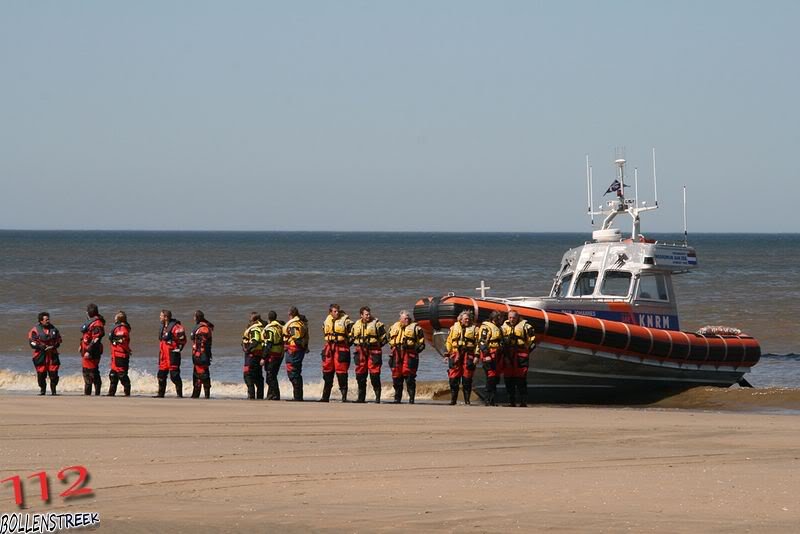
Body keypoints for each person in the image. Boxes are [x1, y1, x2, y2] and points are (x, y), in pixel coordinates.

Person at [350, 306, 388, 403]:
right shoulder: (356, 325)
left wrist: (378, 345)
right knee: (360, 375)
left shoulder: (377, 324)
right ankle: (361, 398)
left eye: (369, 314)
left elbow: (385, 338)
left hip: (373, 351)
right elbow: (351, 337)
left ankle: (378, 398)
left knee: (374, 375)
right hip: (360, 351)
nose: (368, 316)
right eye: (366, 314)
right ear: (361, 315)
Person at [388, 310, 425, 404]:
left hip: (409, 353)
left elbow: (422, 343)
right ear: (400, 319)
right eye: (405, 318)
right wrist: (392, 347)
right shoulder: (393, 327)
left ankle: (411, 399)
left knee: (409, 377)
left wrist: (416, 350)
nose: (407, 320)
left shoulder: (416, 328)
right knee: (396, 377)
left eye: (408, 318)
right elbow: (388, 338)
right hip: (396, 353)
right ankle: (397, 398)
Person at [501, 309, 536, 407]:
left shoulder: (526, 326)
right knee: (508, 379)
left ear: (518, 317)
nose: (512, 319)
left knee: (521, 379)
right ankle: (511, 401)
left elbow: (533, 342)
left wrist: (527, 352)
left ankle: (523, 401)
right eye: (510, 317)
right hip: (508, 354)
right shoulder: (503, 327)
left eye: (514, 317)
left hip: (521, 354)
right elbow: (501, 342)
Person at [444, 311, 479, 405]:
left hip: (469, 354)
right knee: (453, 377)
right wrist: (447, 355)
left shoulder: (475, 329)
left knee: (467, 377)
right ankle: (453, 400)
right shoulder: (453, 328)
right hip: (455, 354)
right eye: (465, 319)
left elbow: (478, 344)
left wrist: (477, 356)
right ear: (460, 319)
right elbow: (448, 342)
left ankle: (467, 400)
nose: (467, 320)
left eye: (468, 318)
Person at [320, 304, 354, 402]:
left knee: (342, 373)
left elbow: (353, 333)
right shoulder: (326, 320)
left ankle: (344, 397)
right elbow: (324, 331)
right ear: (330, 312)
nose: (337, 313)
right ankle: (325, 397)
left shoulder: (346, 321)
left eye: (338, 311)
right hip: (329, 348)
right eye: (334, 311)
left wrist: (348, 344)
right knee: (327, 372)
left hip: (341, 348)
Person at [27, 312, 62, 395]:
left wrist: (54, 346)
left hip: (52, 355)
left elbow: (59, 341)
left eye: (48, 319)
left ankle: (54, 391)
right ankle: (43, 391)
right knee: (41, 375)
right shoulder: (34, 330)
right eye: (46, 320)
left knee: (54, 375)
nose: (48, 321)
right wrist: (41, 347)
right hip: (40, 355)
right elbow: (32, 343)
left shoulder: (54, 329)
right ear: (41, 321)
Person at [476, 310, 504, 406]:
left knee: (495, 377)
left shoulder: (499, 328)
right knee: (490, 376)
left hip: (497, 354)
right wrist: (486, 355)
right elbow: (482, 342)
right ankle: (488, 399)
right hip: (489, 354)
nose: (502, 319)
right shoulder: (486, 327)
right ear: (495, 318)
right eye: (500, 318)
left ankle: (492, 399)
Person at [157, 309, 187, 398]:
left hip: (172, 354)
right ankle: (160, 394)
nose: (159, 317)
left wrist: (178, 349)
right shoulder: (163, 327)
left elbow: (183, 340)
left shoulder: (176, 327)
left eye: (161, 316)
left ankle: (179, 395)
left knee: (174, 376)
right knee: (161, 375)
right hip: (163, 355)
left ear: (165, 317)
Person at [80, 303, 106, 396]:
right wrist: (81, 345)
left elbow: (96, 339)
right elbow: (86, 335)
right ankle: (88, 394)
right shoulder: (92, 322)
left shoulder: (97, 324)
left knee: (92, 372)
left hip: (92, 352)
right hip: (86, 350)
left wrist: (88, 351)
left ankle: (95, 394)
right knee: (88, 372)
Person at [282, 307, 307, 401]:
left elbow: (296, 337)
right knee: (296, 372)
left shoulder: (294, 324)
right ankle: (298, 395)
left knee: (293, 373)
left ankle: (298, 396)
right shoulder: (301, 322)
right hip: (297, 350)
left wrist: (297, 347)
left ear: (290, 314)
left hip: (293, 350)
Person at [107, 311, 132, 397]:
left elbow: (123, 342)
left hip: (120, 354)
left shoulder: (122, 329)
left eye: (115, 317)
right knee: (113, 375)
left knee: (122, 374)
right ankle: (111, 393)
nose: (114, 318)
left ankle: (127, 393)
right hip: (115, 354)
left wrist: (127, 350)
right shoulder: (119, 328)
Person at [242, 312, 266, 400]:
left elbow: (255, 341)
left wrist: (247, 350)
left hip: (252, 356)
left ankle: (251, 396)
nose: (249, 321)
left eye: (250, 320)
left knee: (248, 375)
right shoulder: (261, 328)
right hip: (258, 355)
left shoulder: (255, 329)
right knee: (258, 377)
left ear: (255, 320)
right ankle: (260, 396)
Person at [190, 310, 214, 399]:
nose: (193, 318)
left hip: (201, 355)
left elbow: (202, 344)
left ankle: (207, 395)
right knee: (196, 376)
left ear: (197, 317)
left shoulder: (204, 328)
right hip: (198, 355)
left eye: (194, 316)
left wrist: (199, 354)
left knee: (203, 375)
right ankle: (195, 395)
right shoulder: (201, 327)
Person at [261, 310, 284, 400]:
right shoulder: (280, 327)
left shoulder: (270, 329)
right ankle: (271, 395)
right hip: (279, 354)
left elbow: (268, 344)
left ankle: (275, 395)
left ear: (268, 318)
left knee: (270, 376)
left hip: (272, 355)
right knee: (272, 375)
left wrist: (263, 357)